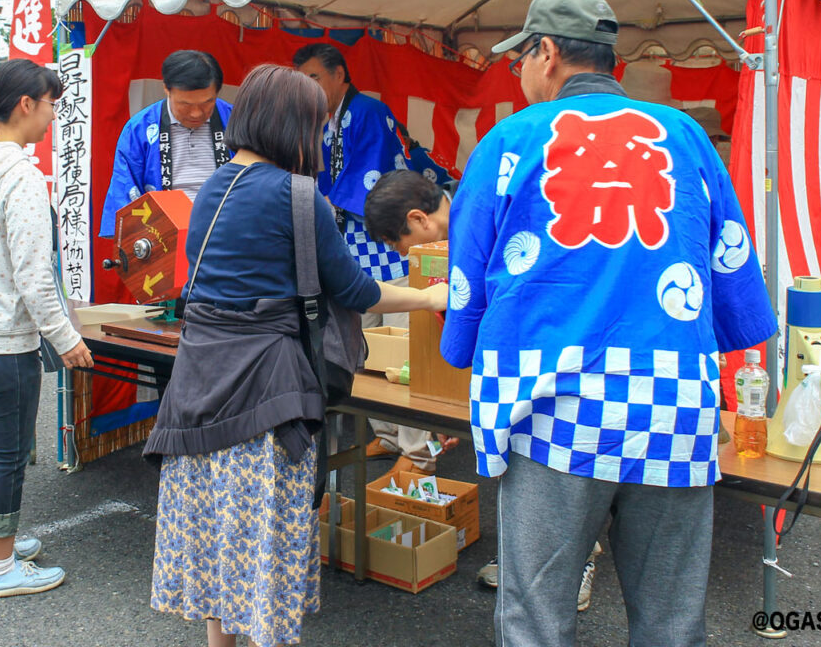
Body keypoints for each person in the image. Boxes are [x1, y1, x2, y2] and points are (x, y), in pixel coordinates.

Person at [441, 0, 777, 647]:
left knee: (536, 619)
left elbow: (466, 277)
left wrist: (461, 345)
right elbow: (734, 272)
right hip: (673, 406)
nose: (522, 73)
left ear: (545, 53)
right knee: (672, 621)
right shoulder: (684, 137)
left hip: (551, 413)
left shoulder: (511, 141)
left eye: (521, 60)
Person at [144, 64, 448, 647]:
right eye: (314, 122)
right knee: (266, 550)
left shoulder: (213, 185)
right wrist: (428, 295)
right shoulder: (297, 194)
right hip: (266, 394)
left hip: (197, 388)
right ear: (295, 126)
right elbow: (356, 291)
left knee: (220, 541)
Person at [364, 168, 603, 609]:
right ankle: (524, 554)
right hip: (500, 353)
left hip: (547, 349)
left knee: (557, 457)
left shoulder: (490, 218)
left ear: (418, 220)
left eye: (400, 243)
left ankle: (578, 560)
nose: (403, 253)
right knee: (520, 464)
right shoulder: (459, 223)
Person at [0, 59, 93, 598]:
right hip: (0, 338)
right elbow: (35, 276)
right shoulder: (23, 177)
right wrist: (66, 338)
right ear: (26, 105)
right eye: (51, 103)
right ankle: (1, 568)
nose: (54, 114)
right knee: (8, 450)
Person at [292, 43, 434, 476]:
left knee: (403, 349)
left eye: (314, 78)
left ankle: (418, 452)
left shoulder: (367, 112)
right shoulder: (323, 121)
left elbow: (370, 182)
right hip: (352, 252)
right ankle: (388, 435)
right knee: (365, 348)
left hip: (385, 249)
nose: (308, 87)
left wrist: (320, 205)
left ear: (340, 75)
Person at [99, 50, 233, 237]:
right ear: (167, 89)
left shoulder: (236, 121)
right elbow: (125, 197)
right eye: (185, 104)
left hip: (226, 235)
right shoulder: (139, 129)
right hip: (164, 239)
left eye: (206, 103)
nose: (196, 113)